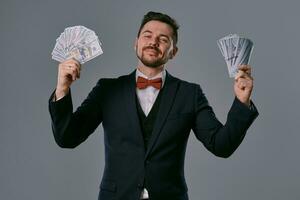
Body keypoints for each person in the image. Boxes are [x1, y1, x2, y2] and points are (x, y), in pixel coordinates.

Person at [49, 11, 258, 200]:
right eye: (147, 36)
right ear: (136, 43)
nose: (153, 42)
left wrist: (242, 101)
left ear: (173, 52)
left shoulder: (190, 94)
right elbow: (67, 137)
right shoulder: (107, 90)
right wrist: (62, 89)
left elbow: (221, 145)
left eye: (163, 39)